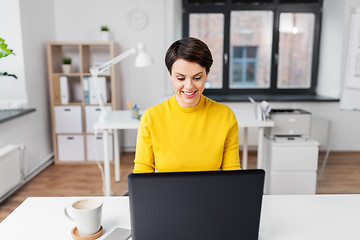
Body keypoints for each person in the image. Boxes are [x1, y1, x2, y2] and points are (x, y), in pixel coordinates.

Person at [133, 37, 240, 173]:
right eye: (180, 78)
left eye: (197, 78)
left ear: (206, 74)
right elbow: (142, 172)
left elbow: (232, 173)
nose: (189, 86)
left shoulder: (225, 115)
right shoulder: (151, 117)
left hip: (211, 193)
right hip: (167, 193)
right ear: (170, 75)